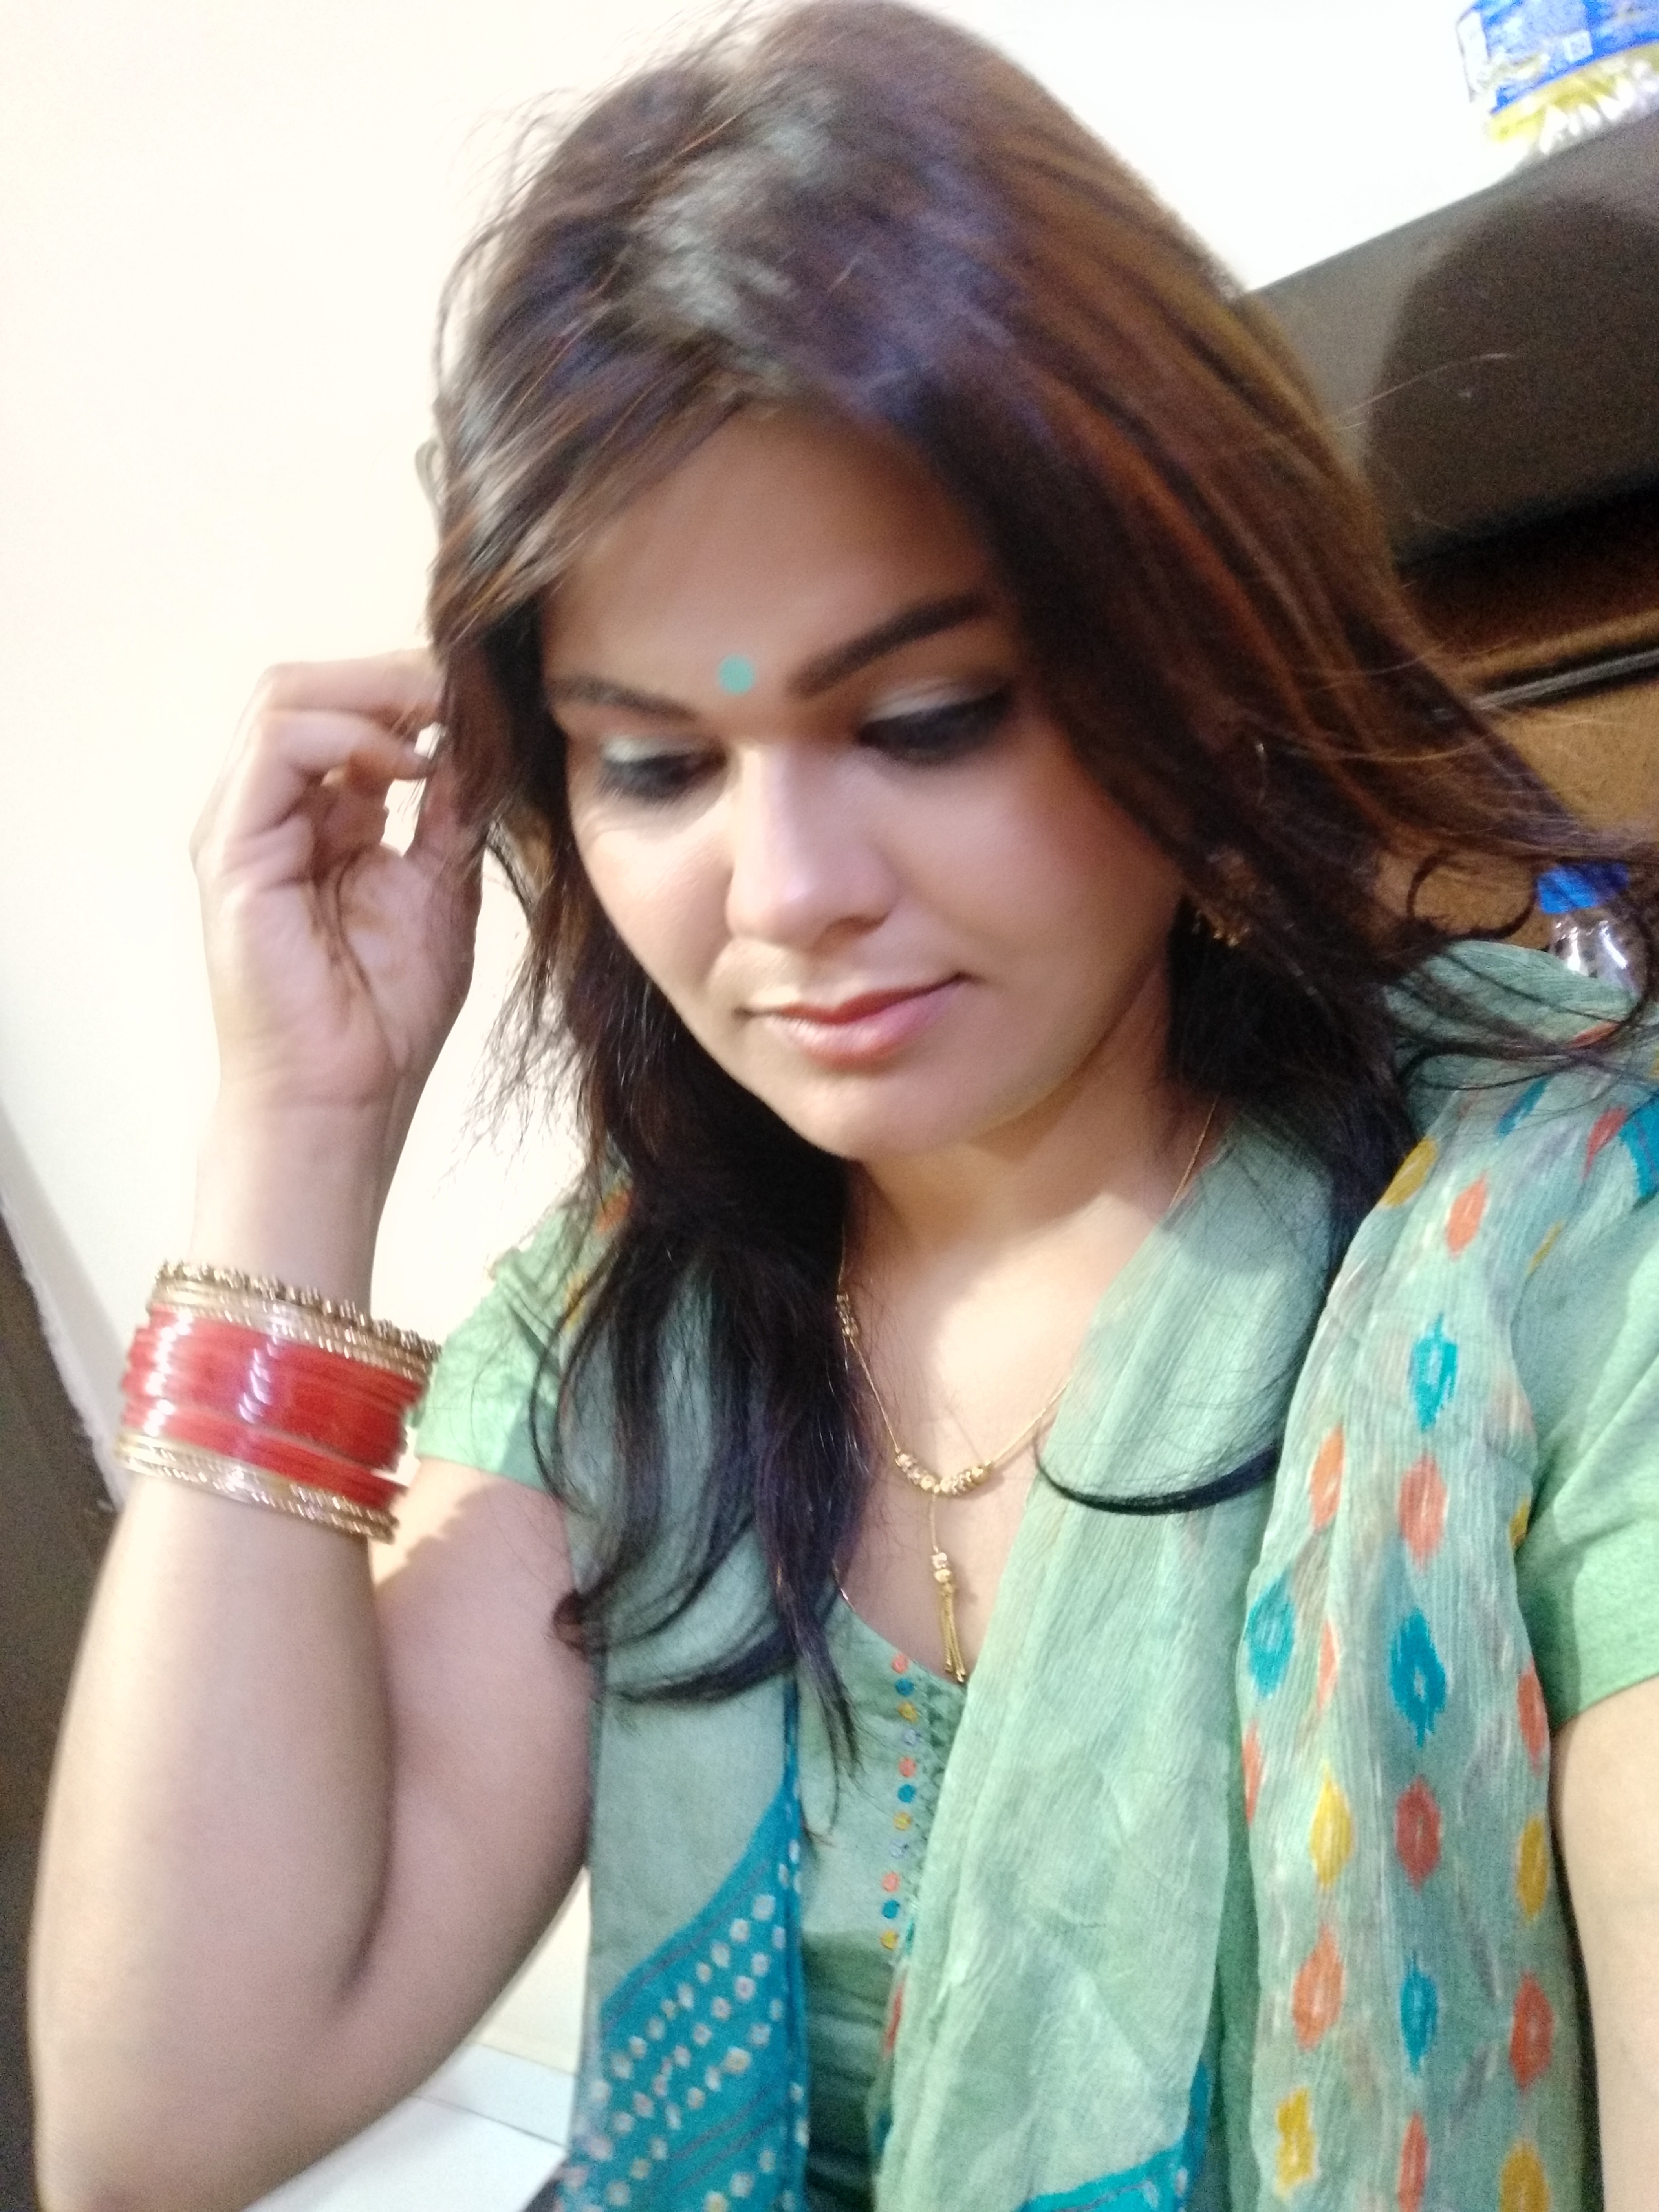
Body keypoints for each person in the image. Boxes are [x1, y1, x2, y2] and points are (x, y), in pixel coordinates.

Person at [29, 6, 1659, 2209]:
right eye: (657, 762)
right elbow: (168, 2117)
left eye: (928, 717)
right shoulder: (637, 1332)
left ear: (1196, 659)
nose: (786, 894)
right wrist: (301, 1125)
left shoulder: (1569, 1252)